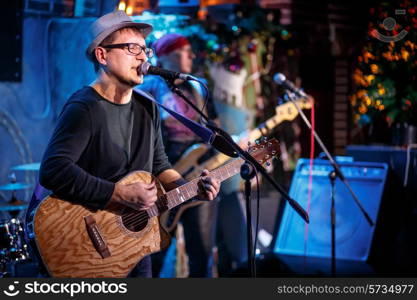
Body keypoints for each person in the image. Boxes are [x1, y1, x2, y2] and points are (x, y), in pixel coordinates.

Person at [37, 11, 220, 278]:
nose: (144, 57)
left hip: (134, 244)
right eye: (132, 48)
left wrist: (189, 190)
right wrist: (119, 194)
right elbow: (54, 170)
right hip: (87, 241)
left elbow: (159, 164)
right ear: (103, 55)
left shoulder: (148, 106)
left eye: (145, 50)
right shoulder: (85, 107)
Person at [140, 33, 220, 277]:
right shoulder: (149, 88)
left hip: (196, 179)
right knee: (155, 254)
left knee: (201, 253)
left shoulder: (197, 87)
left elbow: (214, 129)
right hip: (162, 183)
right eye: (183, 51)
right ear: (164, 57)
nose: (191, 56)